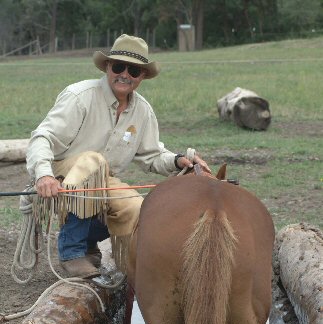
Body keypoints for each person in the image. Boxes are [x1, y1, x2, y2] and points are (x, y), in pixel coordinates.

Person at [26, 34, 211, 283]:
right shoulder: (80, 97)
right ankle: (72, 252)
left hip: (100, 179)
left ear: (142, 76)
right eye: (118, 67)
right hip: (60, 176)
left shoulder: (142, 110)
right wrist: (44, 174)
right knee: (93, 163)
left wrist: (178, 161)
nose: (125, 74)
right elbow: (42, 137)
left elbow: (152, 154)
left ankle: (104, 250)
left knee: (136, 207)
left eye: (133, 70)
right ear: (107, 67)